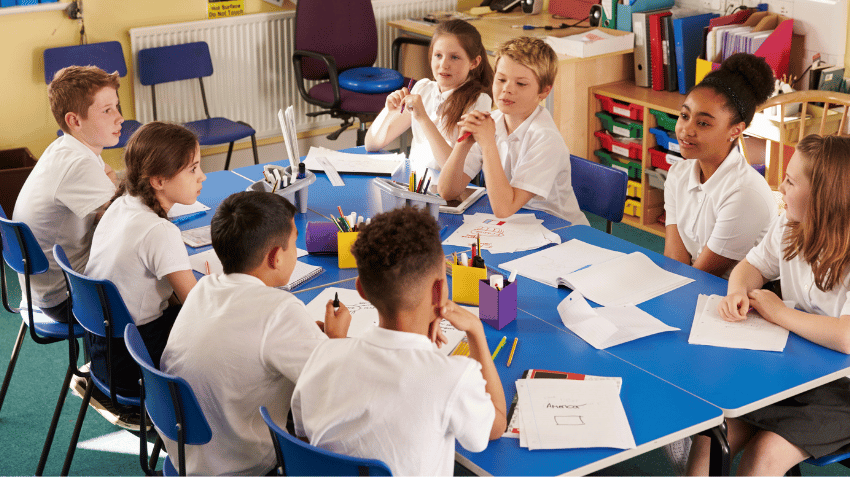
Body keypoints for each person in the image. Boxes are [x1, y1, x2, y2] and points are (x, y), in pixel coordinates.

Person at [291, 207, 507, 476]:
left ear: (361, 289)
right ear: (439, 290)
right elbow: (496, 427)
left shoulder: (321, 356)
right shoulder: (453, 377)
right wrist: (475, 331)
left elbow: (302, 437)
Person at [688, 134, 850, 476]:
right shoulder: (791, 224)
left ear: (824, 198)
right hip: (792, 368)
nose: (780, 186)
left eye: (791, 181)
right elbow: (752, 266)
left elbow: (846, 337)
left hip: (841, 392)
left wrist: (779, 313)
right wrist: (738, 290)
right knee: (711, 436)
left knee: (764, 455)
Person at [160, 191, 351, 475]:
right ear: (275, 257)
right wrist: (335, 341)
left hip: (186, 454)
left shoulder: (204, 287)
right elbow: (333, 387)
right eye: (293, 242)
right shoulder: (280, 310)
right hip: (243, 465)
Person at [84, 122, 203, 398]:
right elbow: (198, 306)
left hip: (103, 355)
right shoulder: (160, 231)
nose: (202, 177)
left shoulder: (120, 204)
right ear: (158, 181)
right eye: (193, 169)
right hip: (135, 366)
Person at [437, 37, 589, 225]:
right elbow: (446, 191)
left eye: (521, 84)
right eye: (501, 79)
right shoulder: (493, 121)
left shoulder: (545, 139)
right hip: (520, 224)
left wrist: (487, 143)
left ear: (544, 92)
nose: (507, 89)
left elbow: (503, 209)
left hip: (562, 231)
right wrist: (463, 143)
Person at [13, 65, 120, 323]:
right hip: (68, 296)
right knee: (157, 274)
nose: (119, 118)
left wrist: (110, 201)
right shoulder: (78, 164)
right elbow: (127, 219)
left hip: (45, 287)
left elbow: (111, 185)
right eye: (107, 111)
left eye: (116, 107)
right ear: (74, 121)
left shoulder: (65, 146)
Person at [663, 53, 777, 278]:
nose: (686, 129)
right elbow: (674, 262)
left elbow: (704, 275)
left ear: (735, 130)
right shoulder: (678, 174)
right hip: (695, 286)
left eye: (703, 123)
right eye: (684, 115)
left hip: (738, 299)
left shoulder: (744, 193)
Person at [365, 19, 493, 181]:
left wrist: (423, 119)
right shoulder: (423, 88)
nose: (443, 64)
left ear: (474, 62)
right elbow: (372, 144)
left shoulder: (478, 101)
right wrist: (389, 113)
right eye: (438, 55)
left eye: (454, 57)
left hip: (448, 195)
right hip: (415, 185)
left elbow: (456, 175)